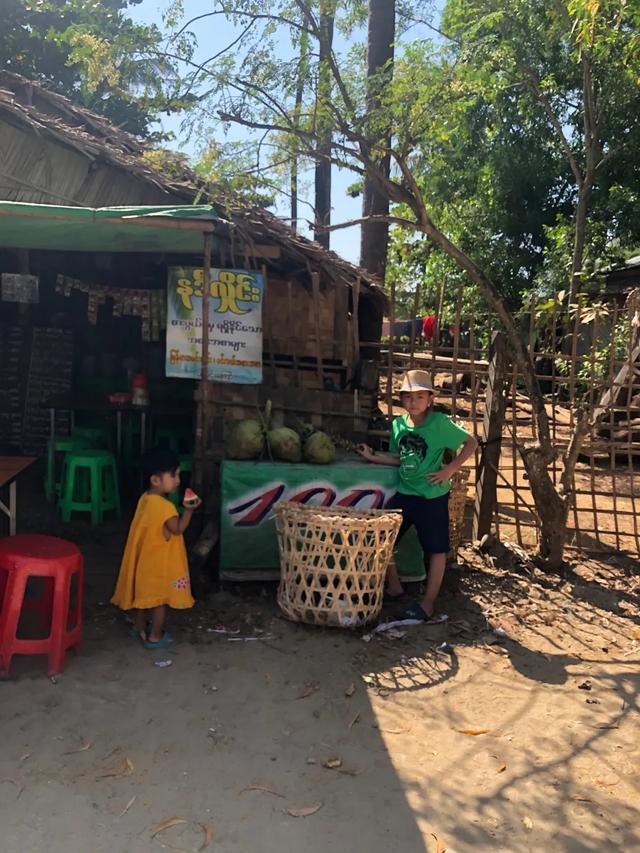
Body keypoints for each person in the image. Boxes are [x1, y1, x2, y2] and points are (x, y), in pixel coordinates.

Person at [358, 369, 477, 623]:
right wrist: (372, 458)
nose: (414, 402)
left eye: (420, 397)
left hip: (432, 497)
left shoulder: (440, 424)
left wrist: (449, 470)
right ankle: (395, 588)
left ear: (430, 399)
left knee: (436, 550)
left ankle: (428, 603)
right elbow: (399, 458)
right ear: (401, 399)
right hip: (405, 494)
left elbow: (471, 443)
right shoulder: (398, 425)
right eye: (408, 397)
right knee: (382, 538)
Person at [111, 447, 200, 649]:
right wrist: (188, 511)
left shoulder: (145, 499)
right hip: (159, 567)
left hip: (144, 563)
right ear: (156, 480)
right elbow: (178, 529)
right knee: (159, 602)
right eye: (174, 475)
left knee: (142, 600)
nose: (178, 480)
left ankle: (138, 628)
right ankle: (155, 636)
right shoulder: (166, 508)